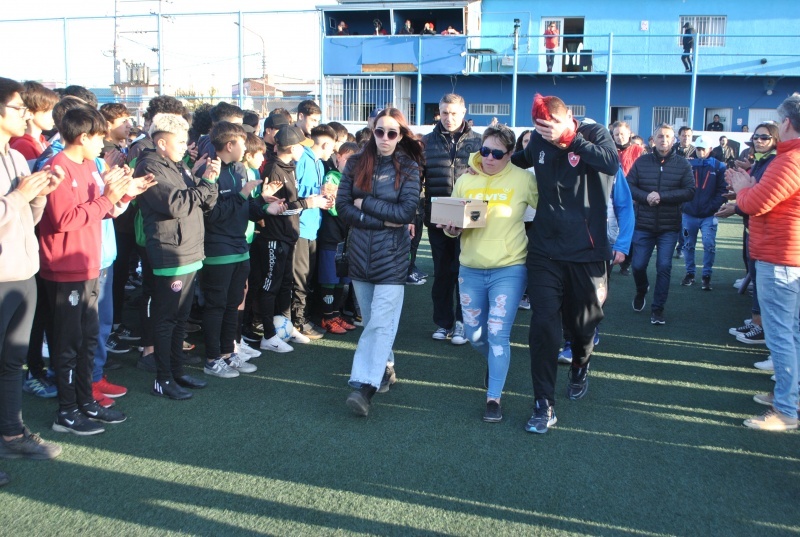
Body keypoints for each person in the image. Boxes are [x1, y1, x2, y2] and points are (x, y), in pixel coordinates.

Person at [510, 93, 620, 434]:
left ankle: (581, 362)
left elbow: (610, 163)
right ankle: (544, 403)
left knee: (583, 324)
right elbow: (517, 160)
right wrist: (484, 163)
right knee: (544, 324)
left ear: (569, 117)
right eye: (541, 129)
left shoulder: (594, 133)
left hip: (587, 253)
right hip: (544, 251)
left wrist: (571, 140)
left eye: (553, 127)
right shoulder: (539, 142)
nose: (548, 134)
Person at [40, 106, 146, 433]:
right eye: (99, 136)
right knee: (69, 344)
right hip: (65, 268)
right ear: (83, 136)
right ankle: (67, 412)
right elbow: (64, 220)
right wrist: (107, 199)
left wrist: (124, 195)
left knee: (87, 339)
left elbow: (100, 211)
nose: (104, 144)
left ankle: (85, 401)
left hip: (89, 265)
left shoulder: (89, 165)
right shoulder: (57, 167)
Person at [442, 124, 538, 423]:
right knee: (474, 336)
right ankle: (497, 363)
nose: (490, 158)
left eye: (497, 153)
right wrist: (450, 228)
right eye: (485, 151)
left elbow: (549, 211)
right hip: (470, 267)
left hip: (509, 268)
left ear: (511, 154)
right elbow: (450, 226)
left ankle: (493, 398)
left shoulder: (524, 180)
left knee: (498, 334)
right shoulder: (465, 180)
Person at [337, 108, 422, 416]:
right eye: (379, 131)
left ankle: (365, 386)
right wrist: (378, 219)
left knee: (380, 322)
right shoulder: (356, 163)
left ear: (400, 135)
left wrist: (367, 204)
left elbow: (405, 214)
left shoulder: (409, 167)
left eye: (392, 133)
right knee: (373, 320)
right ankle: (385, 367)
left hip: (392, 259)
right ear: (371, 131)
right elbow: (343, 208)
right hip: (359, 255)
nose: (385, 138)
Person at [0, 76, 63, 475]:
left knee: (13, 361)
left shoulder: (17, 158)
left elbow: (28, 220)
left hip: (23, 272)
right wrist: (19, 197)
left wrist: (38, 196)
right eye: (18, 108)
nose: (26, 115)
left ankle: (11, 434)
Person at [135, 114, 219, 400]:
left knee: (181, 318)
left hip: (191, 249)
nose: (185, 146)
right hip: (170, 252)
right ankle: (163, 378)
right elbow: (176, 204)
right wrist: (203, 187)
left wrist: (209, 182)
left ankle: (177, 371)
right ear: (161, 143)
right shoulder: (148, 166)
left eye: (185, 140)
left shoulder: (178, 165)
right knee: (167, 318)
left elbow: (204, 200)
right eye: (180, 141)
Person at [730, 94, 800, 431]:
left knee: (781, 336)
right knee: (791, 334)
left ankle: (787, 409)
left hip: (781, 258)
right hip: (786, 257)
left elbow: (756, 203)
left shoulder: (790, 160)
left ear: (786, 123)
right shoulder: (788, 159)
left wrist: (744, 188)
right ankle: (789, 397)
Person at [256, 126, 330, 354]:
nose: (303, 151)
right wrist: (309, 203)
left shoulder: (290, 168)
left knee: (285, 284)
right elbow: (278, 208)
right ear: (292, 147)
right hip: (274, 237)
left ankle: (286, 327)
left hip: (288, 236)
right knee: (270, 287)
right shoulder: (275, 169)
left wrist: (307, 201)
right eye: (300, 146)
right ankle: (268, 334)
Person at [422, 94, 482, 345]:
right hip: (438, 217)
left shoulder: (480, 142)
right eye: (445, 113)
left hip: (470, 218)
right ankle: (443, 323)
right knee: (443, 273)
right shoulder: (426, 142)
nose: (449, 118)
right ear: (439, 111)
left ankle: (462, 323)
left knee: (465, 274)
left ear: (464, 112)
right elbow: (418, 181)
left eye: (454, 113)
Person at [718, 122, 781, 347]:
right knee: (755, 278)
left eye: (764, 137)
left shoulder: (777, 163)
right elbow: (754, 192)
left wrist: (737, 203)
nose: (758, 140)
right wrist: (738, 191)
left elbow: (761, 199)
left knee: (769, 290)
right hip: (755, 229)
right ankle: (757, 322)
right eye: (756, 137)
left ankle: (762, 328)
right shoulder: (762, 162)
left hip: (771, 236)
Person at [627, 124, 695, 325]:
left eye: (667, 136)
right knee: (638, 266)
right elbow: (629, 186)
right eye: (660, 136)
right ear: (653, 139)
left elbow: (690, 191)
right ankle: (642, 289)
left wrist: (662, 197)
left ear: (673, 140)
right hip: (643, 224)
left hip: (668, 227)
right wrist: (646, 197)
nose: (663, 140)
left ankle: (658, 309)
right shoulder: (642, 162)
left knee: (664, 266)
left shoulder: (683, 165)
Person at [292, 124, 336, 340]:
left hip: (313, 228)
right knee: (300, 279)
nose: (333, 153)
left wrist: (323, 199)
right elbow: (293, 195)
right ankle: (297, 323)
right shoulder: (302, 160)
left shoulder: (319, 163)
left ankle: (303, 319)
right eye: (333, 148)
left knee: (307, 278)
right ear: (326, 144)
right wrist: (311, 201)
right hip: (300, 229)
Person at [317, 142, 359, 334]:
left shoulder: (354, 179)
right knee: (329, 277)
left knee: (343, 278)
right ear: (338, 158)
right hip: (331, 236)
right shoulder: (332, 177)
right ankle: (327, 317)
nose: (351, 163)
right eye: (347, 159)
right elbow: (333, 207)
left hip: (346, 237)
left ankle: (336, 314)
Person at [680, 136, 727, 291]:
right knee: (688, 245)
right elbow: (680, 186)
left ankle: (706, 276)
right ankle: (690, 274)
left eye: (703, 149)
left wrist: (712, 207)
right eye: (698, 149)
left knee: (709, 245)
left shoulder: (719, 167)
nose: (700, 152)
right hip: (689, 214)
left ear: (710, 150)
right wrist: (685, 204)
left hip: (709, 215)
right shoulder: (688, 164)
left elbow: (722, 190)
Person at [10, 81, 58, 168]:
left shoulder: (43, 142)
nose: (54, 116)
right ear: (30, 113)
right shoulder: (22, 145)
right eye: (48, 111)